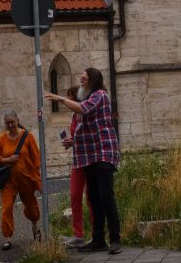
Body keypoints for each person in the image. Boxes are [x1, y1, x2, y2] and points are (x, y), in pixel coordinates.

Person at [46, 68, 121, 254]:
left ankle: (115, 239)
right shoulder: (87, 99)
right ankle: (98, 240)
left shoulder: (100, 95)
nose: (81, 80)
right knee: (94, 198)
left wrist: (61, 99)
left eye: (84, 78)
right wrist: (72, 141)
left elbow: (84, 109)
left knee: (106, 196)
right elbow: (84, 128)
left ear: (92, 81)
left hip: (103, 153)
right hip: (88, 156)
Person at [0, 109, 42, 251]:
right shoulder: (1, 138)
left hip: (26, 179)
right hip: (8, 181)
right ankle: (7, 238)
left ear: (17, 121)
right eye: (7, 123)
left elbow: (36, 157)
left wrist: (36, 175)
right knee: (6, 208)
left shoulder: (27, 136)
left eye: (12, 122)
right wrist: (6, 159)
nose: (10, 125)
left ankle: (35, 227)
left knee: (32, 207)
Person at [62, 85, 94, 248]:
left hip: (89, 160)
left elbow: (89, 136)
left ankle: (97, 233)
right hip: (77, 160)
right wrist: (70, 142)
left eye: (69, 97)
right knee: (75, 196)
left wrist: (74, 141)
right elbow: (77, 137)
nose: (67, 101)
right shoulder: (74, 116)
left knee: (91, 197)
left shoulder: (84, 113)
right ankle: (78, 234)